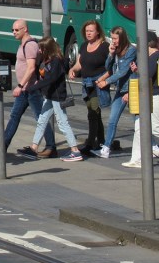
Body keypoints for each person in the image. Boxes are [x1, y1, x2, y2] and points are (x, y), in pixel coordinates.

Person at [0, 20, 56, 158]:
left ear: (25, 29)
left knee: (39, 118)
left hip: (31, 89)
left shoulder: (30, 45)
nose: (14, 33)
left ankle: (51, 147)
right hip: (25, 89)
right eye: (13, 30)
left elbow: (31, 68)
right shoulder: (24, 44)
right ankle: (3, 144)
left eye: (17, 30)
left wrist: (20, 85)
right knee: (14, 116)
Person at [17, 37, 83, 162]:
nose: (39, 51)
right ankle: (33, 147)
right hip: (50, 96)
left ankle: (75, 151)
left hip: (57, 97)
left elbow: (51, 79)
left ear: (47, 49)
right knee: (42, 120)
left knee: (63, 123)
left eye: (41, 49)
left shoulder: (56, 61)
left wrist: (33, 87)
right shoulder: (50, 60)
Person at [92, 26, 137, 159]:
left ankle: (152, 146)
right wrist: (111, 54)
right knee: (112, 120)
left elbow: (123, 71)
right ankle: (106, 149)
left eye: (115, 38)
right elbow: (108, 68)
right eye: (112, 38)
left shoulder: (131, 51)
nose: (113, 41)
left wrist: (107, 82)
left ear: (122, 38)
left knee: (139, 121)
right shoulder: (116, 51)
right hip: (120, 89)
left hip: (131, 89)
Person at [68, 20, 110, 155]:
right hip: (86, 83)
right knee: (95, 114)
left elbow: (112, 66)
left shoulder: (104, 46)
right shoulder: (85, 45)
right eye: (87, 31)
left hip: (98, 83)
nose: (88, 33)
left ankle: (91, 143)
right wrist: (73, 69)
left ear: (98, 32)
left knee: (93, 113)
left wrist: (104, 80)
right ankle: (102, 141)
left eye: (91, 31)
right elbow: (79, 63)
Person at [123, 32, 159, 168]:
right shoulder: (149, 57)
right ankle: (136, 159)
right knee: (139, 128)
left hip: (155, 96)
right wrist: (138, 70)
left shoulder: (155, 57)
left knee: (155, 129)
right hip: (147, 96)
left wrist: (139, 71)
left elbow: (148, 75)